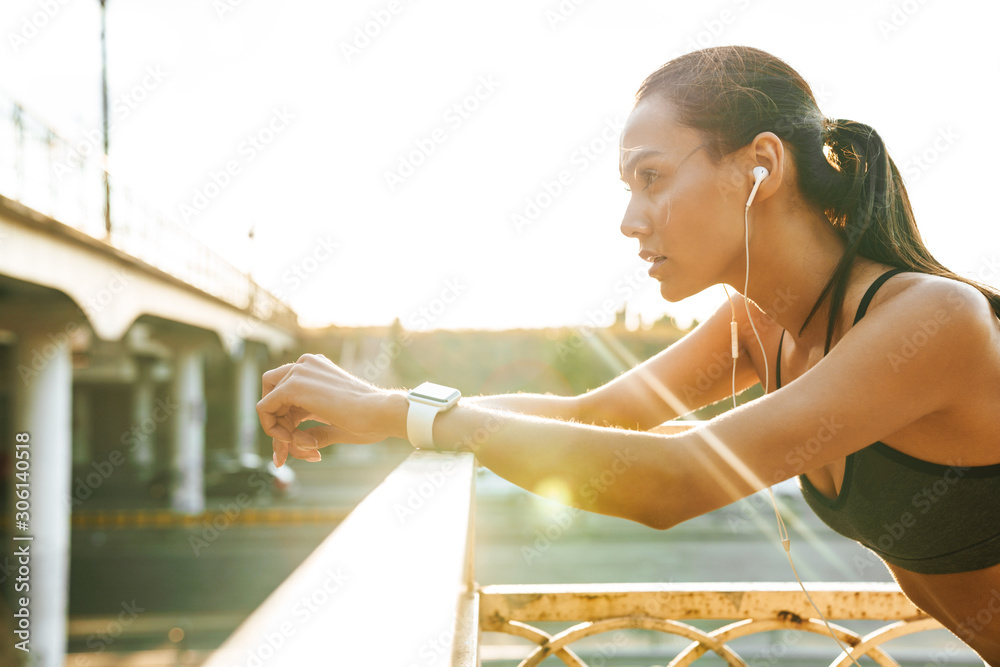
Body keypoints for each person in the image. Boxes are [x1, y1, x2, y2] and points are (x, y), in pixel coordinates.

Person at [256, 46, 1000, 664]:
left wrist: (392, 409)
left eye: (652, 177)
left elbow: (670, 483)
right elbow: (596, 415)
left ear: (761, 167)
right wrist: (393, 411)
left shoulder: (931, 320)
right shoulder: (757, 323)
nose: (628, 220)